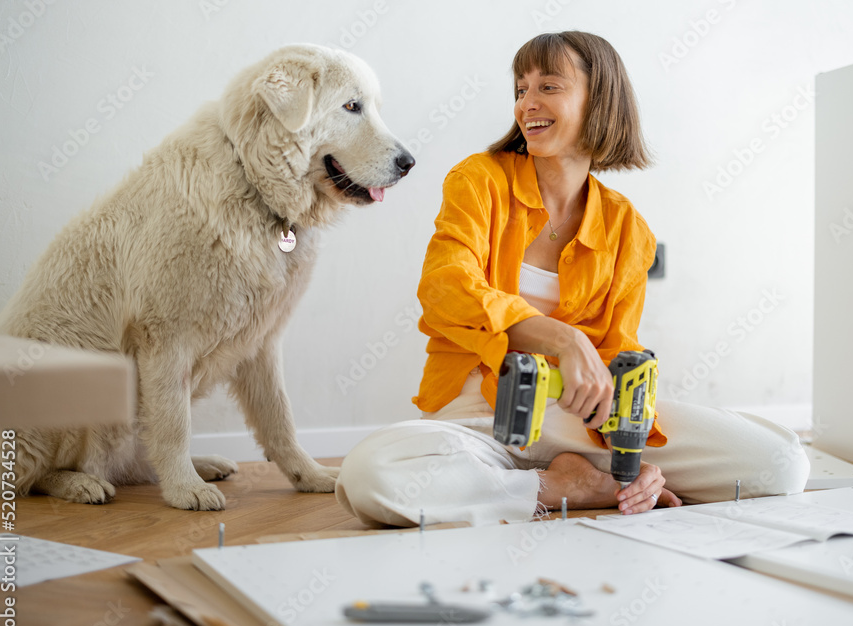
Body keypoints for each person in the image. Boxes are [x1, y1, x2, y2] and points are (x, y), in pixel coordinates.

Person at [335, 31, 809, 527]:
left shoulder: (627, 227)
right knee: (371, 474)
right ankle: (560, 487)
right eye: (520, 89)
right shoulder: (479, 180)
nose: (527, 104)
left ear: (600, 99)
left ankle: (586, 483)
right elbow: (444, 288)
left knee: (780, 462)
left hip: (579, 426)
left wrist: (632, 459)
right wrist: (562, 339)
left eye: (549, 86)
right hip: (479, 417)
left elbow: (618, 358)